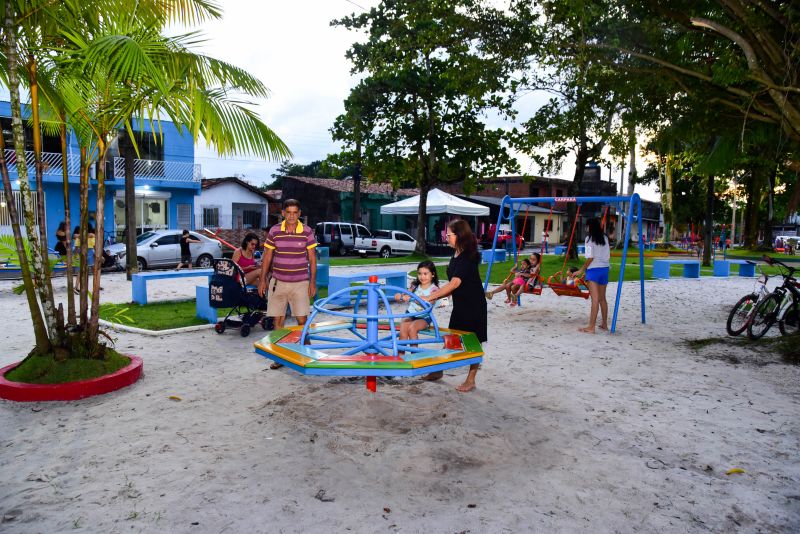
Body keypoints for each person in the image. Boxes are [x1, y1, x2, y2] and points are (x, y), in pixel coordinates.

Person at [421, 219, 486, 392]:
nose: (446, 237)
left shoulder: (467, 257)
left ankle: (471, 380)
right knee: (452, 339)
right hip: (461, 305)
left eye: (448, 234)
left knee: (474, 344)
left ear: (459, 236)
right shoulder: (456, 255)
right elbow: (453, 285)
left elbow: (455, 283)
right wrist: (438, 297)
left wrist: (431, 296)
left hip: (474, 306)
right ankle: (437, 372)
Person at [257, 199, 317, 369]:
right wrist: (262, 280)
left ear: (299, 214)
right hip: (278, 282)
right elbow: (267, 256)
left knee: (302, 320)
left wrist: (312, 282)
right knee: (278, 321)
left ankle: (307, 352)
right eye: (288, 212)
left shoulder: (307, 232)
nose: (291, 216)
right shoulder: (275, 231)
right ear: (283, 213)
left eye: (295, 213)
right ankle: (280, 357)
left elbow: (312, 258)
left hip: (300, 283)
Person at [575, 218, 610, 334]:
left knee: (594, 300)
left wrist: (581, 269)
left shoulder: (589, 239)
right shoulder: (604, 237)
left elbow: (590, 257)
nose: (586, 228)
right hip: (604, 269)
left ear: (590, 227)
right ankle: (604, 324)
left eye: (586, 226)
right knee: (602, 299)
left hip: (593, 270)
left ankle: (591, 327)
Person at [394, 260, 440, 344]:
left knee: (412, 328)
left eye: (425, 274)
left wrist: (417, 299)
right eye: (420, 274)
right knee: (403, 330)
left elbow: (431, 303)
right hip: (410, 314)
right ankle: (400, 355)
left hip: (424, 317)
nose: (422, 277)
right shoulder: (415, 286)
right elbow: (405, 294)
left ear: (433, 274)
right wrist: (399, 296)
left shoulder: (434, 289)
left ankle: (414, 355)